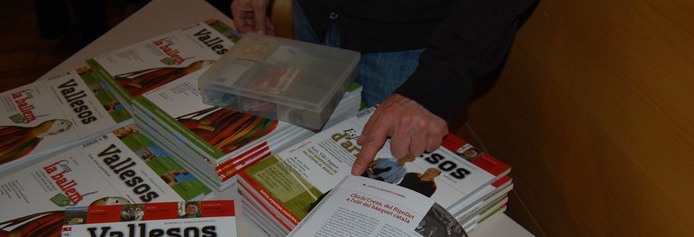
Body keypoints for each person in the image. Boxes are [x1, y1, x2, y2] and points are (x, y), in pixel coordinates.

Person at [230, 0, 537, 175]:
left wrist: (438, 79)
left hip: (410, 45)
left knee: (375, 172)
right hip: (313, 14)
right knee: (303, 153)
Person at [0, 119, 73, 176]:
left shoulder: (29, 145)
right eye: (57, 122)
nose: (56, 126)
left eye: (61, 129)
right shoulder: (21, 133)